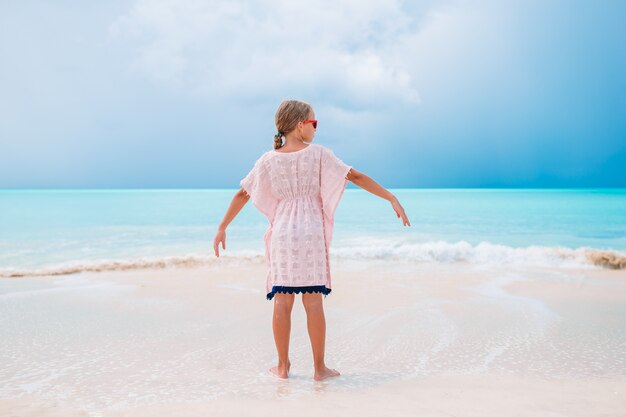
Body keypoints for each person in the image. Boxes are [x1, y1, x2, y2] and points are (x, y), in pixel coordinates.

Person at [213, 99, 410, 381]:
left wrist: (222, 226)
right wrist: (390, 197)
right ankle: (319, 369)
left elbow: (242, 193)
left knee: (281, 302)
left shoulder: (268, 159)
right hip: (311, 233)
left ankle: (282, 367)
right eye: (314, 123)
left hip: (282, 232)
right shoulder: (318, 154)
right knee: (314, 302)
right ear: (299, 125)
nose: (316, 129)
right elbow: (355, 176)